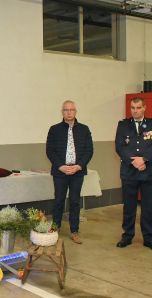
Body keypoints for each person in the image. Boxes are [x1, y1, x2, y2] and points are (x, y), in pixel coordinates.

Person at [115, 97, 152, 252]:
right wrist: (133, 161)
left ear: (144, 108)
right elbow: (119, 146)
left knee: (148, 207)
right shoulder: (123, 125)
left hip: (149, 172)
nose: (135, 110)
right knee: (129, 206)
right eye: (132, 108)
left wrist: (144, 159)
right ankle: (127, 236)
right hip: (129, 172)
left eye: (138, 107)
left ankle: (149, 238)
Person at [46, 100, 93, 244]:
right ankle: (55, 228)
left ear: (75, 111)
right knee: (59, 200)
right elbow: (50, 151)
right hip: (60, 171)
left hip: (77, 172)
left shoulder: (84, 129)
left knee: (75, 201)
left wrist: (79, 166)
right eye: (66, 110)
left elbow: (89, 151)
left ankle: (74, 231)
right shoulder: (54, 129)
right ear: (62, 112)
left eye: (71, 110)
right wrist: (60, 166)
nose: (69, 112)